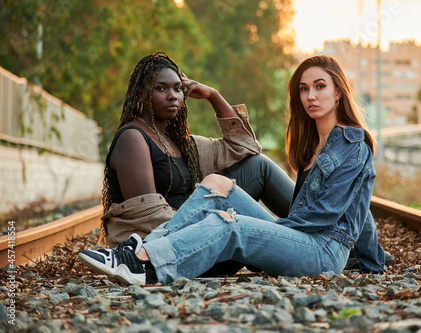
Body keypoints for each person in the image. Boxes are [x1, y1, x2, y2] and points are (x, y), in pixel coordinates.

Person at [79, 55, 387, 286]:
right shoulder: (314, 143)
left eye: (320, 87)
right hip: (304, 239)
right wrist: (373, 260)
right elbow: (362, 210)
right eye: (304, 89)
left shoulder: (351, 144)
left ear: (337, 92)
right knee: (215, 185)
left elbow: (325, 216)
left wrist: (271, 229)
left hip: (322, 251)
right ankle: (141, 253)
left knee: (228, 223)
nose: (311, 96)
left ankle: (145, 267)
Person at [99, 52, 294, 275]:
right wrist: (213, 223)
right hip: (170, 251)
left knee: (258, 166)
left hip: (199, 235)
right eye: (161, 88)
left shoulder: (181, 144)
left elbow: (245, 147)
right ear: (141, 95)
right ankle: (300, 246)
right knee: (258, 232)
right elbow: (152, 221)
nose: (172, 95)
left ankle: (310, 232)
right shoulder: (132, 138)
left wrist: (213, 96)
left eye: (177, 88)